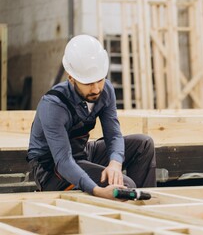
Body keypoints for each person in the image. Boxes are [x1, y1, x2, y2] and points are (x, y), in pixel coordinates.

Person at [27, 34, 156, 200]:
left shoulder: (105, 90)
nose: (96, 89)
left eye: (99, 80)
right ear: (71, 78)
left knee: (143, 145)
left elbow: (114, 135)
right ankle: (124, 208)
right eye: (88, 83)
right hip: (52, 168)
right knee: (125, 185)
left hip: (81, 152)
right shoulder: (53, 105)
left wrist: (115, 163)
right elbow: (64, 161)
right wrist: (97, 190)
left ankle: (143, 205)